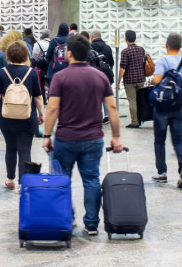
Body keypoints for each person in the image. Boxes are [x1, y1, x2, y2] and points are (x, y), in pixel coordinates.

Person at [42, 34, 122, 236]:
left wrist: (47, 135)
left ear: (69, 53)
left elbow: (52, 109)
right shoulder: (100, 76)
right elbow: (111, 107)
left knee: (62, 179)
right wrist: (116, 136)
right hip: (93, 139)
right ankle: (92, 224)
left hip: (66, 139)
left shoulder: (60, 77)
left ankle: (67, 218)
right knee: (92, 179)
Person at [0, 41, 44, 189]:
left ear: (9, 55)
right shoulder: (31, 73)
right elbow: (38, 97)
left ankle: (10, 179)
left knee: (10, 148)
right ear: (25, 55)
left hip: (6, 118)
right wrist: (41, 114)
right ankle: (23, 184)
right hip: (27, 117)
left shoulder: (3, 72)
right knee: (25, 149)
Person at [151, 32, 182, 188]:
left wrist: (153, 79)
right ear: (181, 46)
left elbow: (156, 80)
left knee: (159, 140)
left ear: (166, 45)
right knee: (178, 140)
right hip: (180, 105)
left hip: (162, 106)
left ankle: (162, 172)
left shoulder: (163, 60)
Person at [118, 30, 147, 128]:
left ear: (126, 38)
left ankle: (135, 122)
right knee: (140, 100)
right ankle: (141, 119)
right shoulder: (141, 49)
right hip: (141, 79)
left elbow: (122, 68)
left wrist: (118, 82)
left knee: (132, 101)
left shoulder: (125, 52)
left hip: (129, 81)